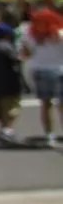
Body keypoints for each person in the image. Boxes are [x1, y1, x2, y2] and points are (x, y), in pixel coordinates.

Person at [21, 8, 63, 146]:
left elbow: (25, 54)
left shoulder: (30, 34)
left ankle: (49, 135)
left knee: (46, 105)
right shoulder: (60, 33)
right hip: (60, 70)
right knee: (61, 105)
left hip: (40, 70)